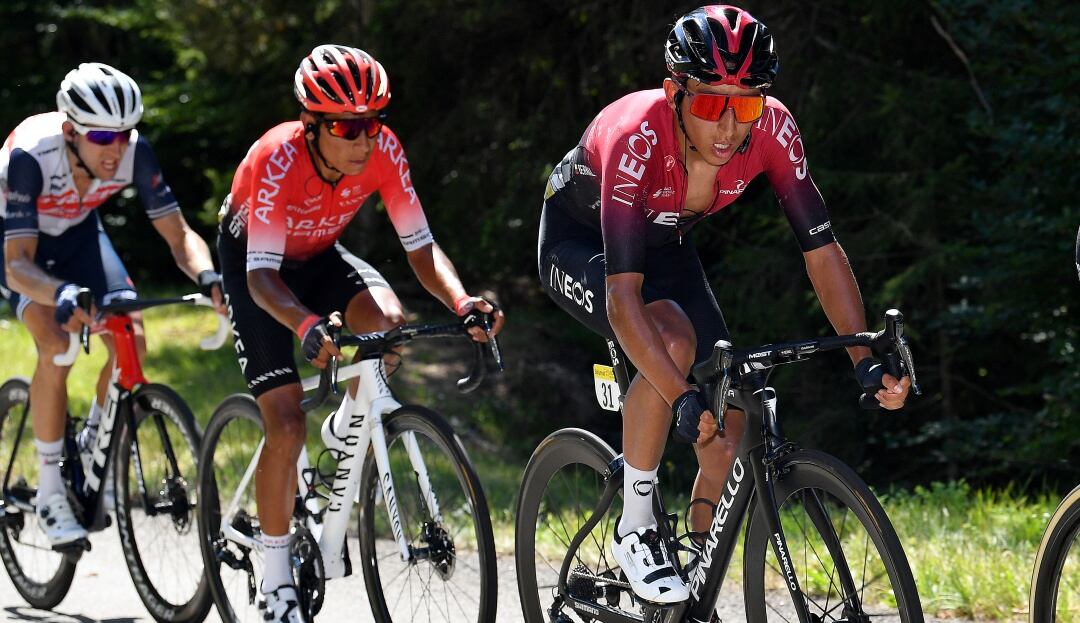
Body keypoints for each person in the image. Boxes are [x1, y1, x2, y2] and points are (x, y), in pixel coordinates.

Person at [537, 5, 911, 604]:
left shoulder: (773, 131)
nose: (730, 128)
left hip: (665, 240)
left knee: (730, 427)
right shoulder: (638, 137)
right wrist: (680, 393)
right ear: (673, 92)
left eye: (748, 104)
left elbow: (820, 249)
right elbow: (621, 296)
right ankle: (635, 526)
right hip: (580, 242)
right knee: (674, 344)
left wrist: (862, 356)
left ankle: (690, 583)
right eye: (712, 104)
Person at [217, 44, 504, 622]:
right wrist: (304, 324)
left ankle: (346, 425)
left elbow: (420, 249)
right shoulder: (276, 161)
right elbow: (262, 278)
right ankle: (276, 582)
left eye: (372, 123)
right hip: (258, 269)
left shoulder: (384, 152)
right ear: (312, 125)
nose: (363, 139)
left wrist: (462, 299)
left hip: (320, 255)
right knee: (286, 421)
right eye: (348, 127)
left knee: (389, 330)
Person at [0, 62, 225, 548]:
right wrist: (58, 291)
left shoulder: (133, 153)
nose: (117, 148)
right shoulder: (29, 158)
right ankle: (51, 489)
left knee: (131, 337)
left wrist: (208, 277)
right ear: (69, 132)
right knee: (57, 344)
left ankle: (92, 439)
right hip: (20, 244)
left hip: (79, 233)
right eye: (102, 138)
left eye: (125, 134)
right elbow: (18, 264)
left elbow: (179, 235)